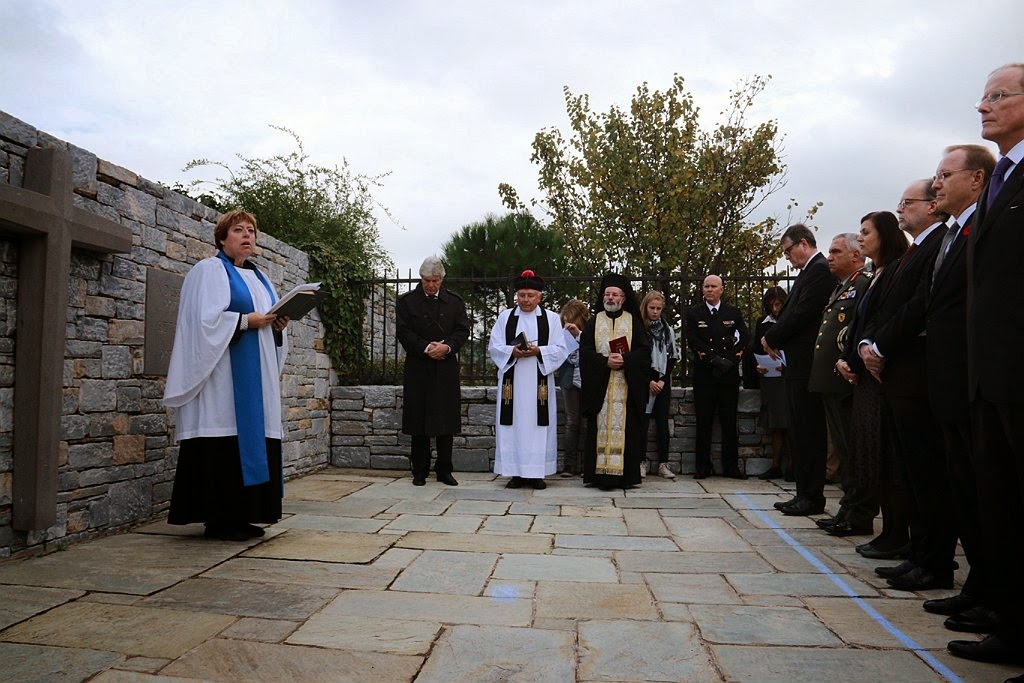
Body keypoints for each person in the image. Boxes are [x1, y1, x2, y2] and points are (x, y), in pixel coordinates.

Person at [948, 63, 1024, 670]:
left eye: (998, 95)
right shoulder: (1005, 179)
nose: (984, 106)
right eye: (983, 97)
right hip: (989, 375)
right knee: (1002, 507)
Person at [164, 209, 290, 542]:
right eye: (239, 230)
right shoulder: (208, 271)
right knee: (225, 445)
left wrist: (277, 326)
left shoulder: (261, 279)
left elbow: (267, 322)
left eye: (251, 230)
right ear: (222, 238)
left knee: (252, 441)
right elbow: (203, 323)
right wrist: (247, 322)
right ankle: (219, 520)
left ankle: (244, 515)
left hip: (254, 379)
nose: (247, 235)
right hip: (222, 381)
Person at [836, 210, 911, 561]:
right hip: (865, 373)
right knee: (871, 456)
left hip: (882, 375)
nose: (861, 237)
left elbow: (888, 319)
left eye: (867, 232)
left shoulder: (895, 269)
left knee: (889, 459)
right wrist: (853, 356)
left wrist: (869, 349)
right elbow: (859, 324)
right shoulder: (875, 273)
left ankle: (897, 533)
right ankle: (890, 531)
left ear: (885, 235)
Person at [764, 224, 838, 515]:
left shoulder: (819, 270)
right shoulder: (809, 271)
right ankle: (803, 492)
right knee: (799, 431)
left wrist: (772, 336)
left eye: (788, 250)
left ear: (804, 243)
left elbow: (802, 312)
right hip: (796, 364)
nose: (787, 257)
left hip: (808, 364)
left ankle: (812, 496)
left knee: (809, 431)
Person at [810, 234, 874, 537]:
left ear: (856, 255)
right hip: (832, 380)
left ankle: (857, 511)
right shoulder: (843, 287)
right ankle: (848, 508)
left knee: (852, 449)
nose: (829, 256)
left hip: (846, 379)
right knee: (845, 449)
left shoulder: (862, 284)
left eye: (836, 251)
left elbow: (854, 330)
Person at [489, 270, 569, 490]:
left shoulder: (551, 319)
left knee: (537, 426)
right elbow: (494, 347)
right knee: (512, 425)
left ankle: (536, 474)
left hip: (538, 383)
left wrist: (538, 351)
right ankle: (515, 473)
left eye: (530, 295)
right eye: (522, 295)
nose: (525, 300)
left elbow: (561, 349)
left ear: (539, 297)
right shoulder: (506, 318)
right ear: (517, 295)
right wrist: (511, 352)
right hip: (511, 384)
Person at [396, 256, 471, 486]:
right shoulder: (407, 302)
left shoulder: (455, 302)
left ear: (442, 279)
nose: (431, 285)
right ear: (421, 279)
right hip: (418, 366)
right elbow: (404, 332)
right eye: (427, 280)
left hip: (445, 367)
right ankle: (419, 470)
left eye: (435, 280)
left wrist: (446, 347)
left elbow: (462, 330)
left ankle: (444, 470)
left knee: (445, 419)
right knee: (419, 420)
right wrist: (427, 348)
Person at [580, 273, 651, 490]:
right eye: (607, 294)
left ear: (623, 298)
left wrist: (626, 360)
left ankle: (625, 477)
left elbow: (644, 352)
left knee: (627, 429)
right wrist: (604, 362)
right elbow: (584, 353)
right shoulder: (594, 321)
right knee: (598, 427)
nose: (610, 298)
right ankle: (598, 475)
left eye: (615, 294)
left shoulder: (633, 322)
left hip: (626, 387)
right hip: (601, 387)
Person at [685, 275, 749, 479]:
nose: (709, 290)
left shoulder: (733, 312)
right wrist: (713, 359)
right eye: (706, 286)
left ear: (722, 289)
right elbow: (693, 340)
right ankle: (702, 466)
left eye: (713, 286)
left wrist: (729, 360)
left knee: (729, 422)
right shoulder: (695, 313)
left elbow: (745, 338)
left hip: (728, 375)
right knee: (703, 422)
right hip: (706, 374)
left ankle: (731, 466)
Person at [747, 286, 790, 481]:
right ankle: (775, 465)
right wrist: (758, 365)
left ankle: (793, 466)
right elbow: (756, 347)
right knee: (774, 423)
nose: (775, 309)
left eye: (778, 304)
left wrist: (787, 364)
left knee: (789, 421)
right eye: (771, 305)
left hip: (786, 378)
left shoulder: (790, 321)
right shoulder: (762, 323)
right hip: (769, 378)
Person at [639, 290, 679, 479]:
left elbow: (672, 357)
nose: (655, 312)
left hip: (662, 380)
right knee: (643, 423)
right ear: (645, 307)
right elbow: (637, 359)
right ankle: (641, 462)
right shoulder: (639, 329)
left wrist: (662, 380)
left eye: (658, 308)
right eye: (652, 308)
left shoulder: (667, 329)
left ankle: (663, 463)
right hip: (646, 380)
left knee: (662, 423)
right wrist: (649, 381)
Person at [556, 299, 590, 477]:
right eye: (565, 321)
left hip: (586, 378)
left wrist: (579, 334)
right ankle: (569, 465)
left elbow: (595, 348)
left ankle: (587, 465)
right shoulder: (560, 333)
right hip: (568, 379)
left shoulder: (589, 331)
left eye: (572, 321)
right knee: (571, 422)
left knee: (587, 422)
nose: (568, 325)